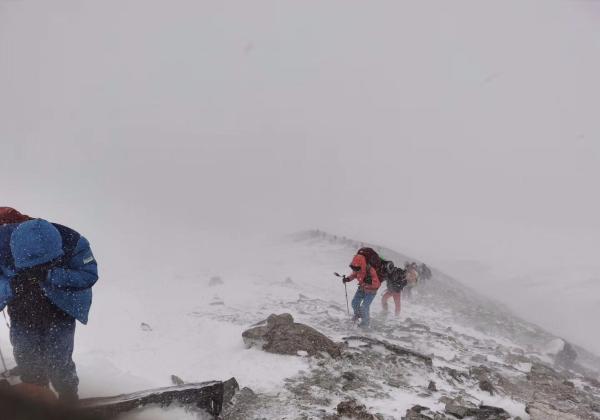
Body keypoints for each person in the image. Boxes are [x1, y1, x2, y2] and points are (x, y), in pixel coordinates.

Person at [0, 215, 98, 403]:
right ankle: (37, 400)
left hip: (59, 309)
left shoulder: (73, 243)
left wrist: (52, 275)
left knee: (59, 360)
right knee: (26, 356)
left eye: (46, 263)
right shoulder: (1, 247)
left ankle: (68, 399)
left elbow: (88, 275)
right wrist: (12, 286)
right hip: (22, 310)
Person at [343, 253, 381, 328]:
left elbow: (377, 284)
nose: (355, 270)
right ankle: (357, 314)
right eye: (353, 268)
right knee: (354, 303)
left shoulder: (370, 270)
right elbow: (353, 275)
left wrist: (370, 281)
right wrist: (347, 279)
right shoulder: (357, 268)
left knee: (364, 307)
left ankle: (365, 323)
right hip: (361, 289)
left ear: (362, 265)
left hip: (371, 292)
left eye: (356, 268)